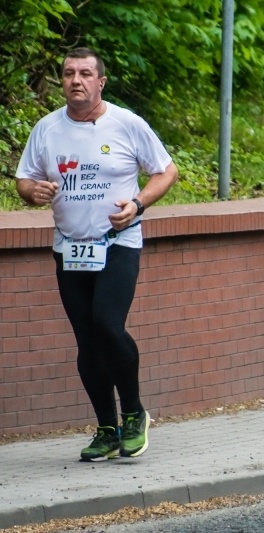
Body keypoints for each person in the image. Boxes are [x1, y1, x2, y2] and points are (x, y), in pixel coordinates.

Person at [15, 47, 179, 460]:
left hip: (117, 242)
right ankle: (107, 427)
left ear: (100, 82)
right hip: (70, 249)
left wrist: (138, 204)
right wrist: (33, 193)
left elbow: (167, 170)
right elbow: (24, 181)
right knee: (87, 341)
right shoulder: (47, 129)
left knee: (107, 324)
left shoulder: (126, 123)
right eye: (69, 73)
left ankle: (135, 412)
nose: (76, 80)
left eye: (85, 73)